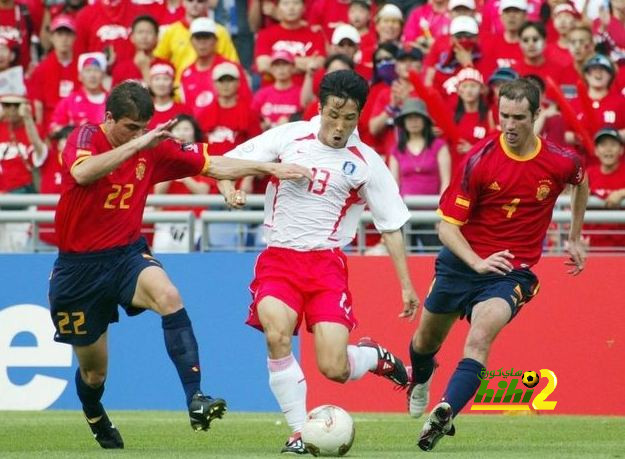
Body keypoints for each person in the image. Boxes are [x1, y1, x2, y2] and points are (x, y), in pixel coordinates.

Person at [47, 80, 310, 450]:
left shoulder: (152, 148)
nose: (138, 135)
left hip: (125, 255)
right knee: (94, 373)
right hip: (78, 270)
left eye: (143, 128)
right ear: (109, 119)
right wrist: (141, 143)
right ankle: (95, 415)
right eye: (131, 127)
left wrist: (270, 167)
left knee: (169, 296)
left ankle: (195, 397)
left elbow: (212, 163)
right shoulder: (86, 135)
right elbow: (82, 173)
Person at [217, 70, 420, 454]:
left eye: (349, 118)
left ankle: (375, 357)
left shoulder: (366, 162)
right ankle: (298, 431)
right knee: (277, 334)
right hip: (279, 259)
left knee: (335, 368)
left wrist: (407, 285)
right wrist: (230, 189)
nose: (339, 126)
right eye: (333, 115)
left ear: (359, 115)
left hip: (326, 267)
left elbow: (391, 226)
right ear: (320, 107)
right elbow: (224, 164)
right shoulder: (289, 136)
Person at [407, 78, 588, 451]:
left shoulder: (559, 160)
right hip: (462, 262)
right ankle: (422, 378)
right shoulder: (479, 160)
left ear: (536, 116)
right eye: (503, 115)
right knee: (424, 342)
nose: (509, 125)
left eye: (519, 117)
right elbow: (446, 228)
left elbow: (580, 181)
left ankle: (445, 412)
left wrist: (573, 236)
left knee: (479, 338)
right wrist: (476, 261)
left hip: (510, 272)